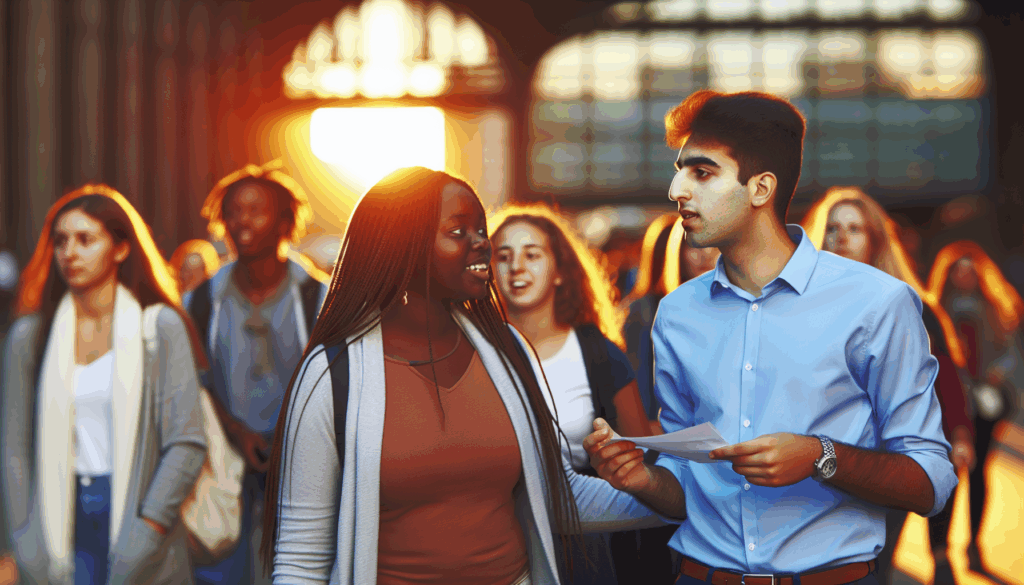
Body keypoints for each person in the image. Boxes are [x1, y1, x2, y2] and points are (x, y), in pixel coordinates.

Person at [583, 90, 957, 585]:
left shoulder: (878, 302)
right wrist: (644, 480)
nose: (676, 190)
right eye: (679, 171)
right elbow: (687, 486)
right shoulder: (675, 314)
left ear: (760, 188)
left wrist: (819, 456)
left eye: (702, 173)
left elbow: (931, 482)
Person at [261, 167, 663, 585]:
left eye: (481, 231)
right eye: (459, 232)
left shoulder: (508, 350)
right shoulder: (331, 373)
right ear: (405, 246)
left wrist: (674, 493)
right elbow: (301, 558)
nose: (483, 244)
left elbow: (559, 497)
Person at [0, 185, 208, 584]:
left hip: (137, 514)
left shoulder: (159, 328)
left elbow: (187, 442)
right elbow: (14, 448)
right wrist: (26, 541)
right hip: (60, 515)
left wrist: (148, 528)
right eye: (61, 241)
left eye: (85, 239)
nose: (70, 253)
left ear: (121, 248)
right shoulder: (31, 337)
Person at [804, 187, 975, 584]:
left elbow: (945, 378)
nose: (841, 238)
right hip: (816, 460)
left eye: (854, 229)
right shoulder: (798, 304)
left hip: (886, 462)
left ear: (874, 240)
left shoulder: (911, 305)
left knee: (869, 566)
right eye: (832, 228)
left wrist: (960, 433)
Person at [489, 205, 653, 585]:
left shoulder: (598, 353)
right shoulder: (473, 349)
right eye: (503, 256)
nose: (517, 267)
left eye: (532, 254)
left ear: (560, 270)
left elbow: (641, 456)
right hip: (497, 546)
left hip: (584, 549)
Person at [183, 162, 328, 585]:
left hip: (301, 469)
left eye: (256, 211)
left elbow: (332, 385)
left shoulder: (318, 297)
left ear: (284, 222)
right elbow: (194, 385)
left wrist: (286, 437)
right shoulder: (200, 302)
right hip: (223, 467)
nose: (242, 221)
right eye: (233, 212)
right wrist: (235, 431)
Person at [927, 241, 1024, 564]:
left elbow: (1010, 355)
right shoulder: (936, 311)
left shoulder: (995, 309)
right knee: (948, 473)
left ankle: (974, 543)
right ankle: (941, 551)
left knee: (979, 470)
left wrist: (996, 374)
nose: (964, 276)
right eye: (958, 270)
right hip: (950, 403)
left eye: (969, 270)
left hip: (986, 403)